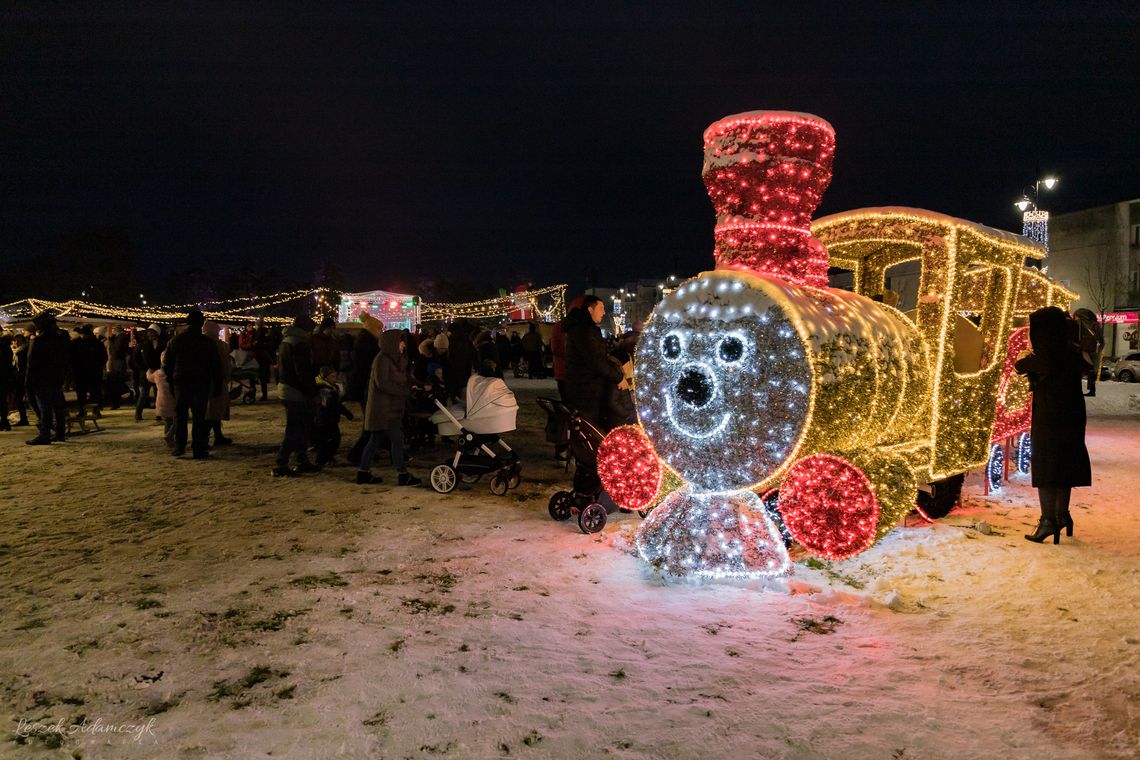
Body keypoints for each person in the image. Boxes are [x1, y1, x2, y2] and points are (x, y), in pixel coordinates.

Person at [1015, 306, 1092, 543]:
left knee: (1047, 467)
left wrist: (1023, 358)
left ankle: (1048, 520)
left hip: (1050, 418)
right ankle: (1062, 515)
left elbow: (1020, 366)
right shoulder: (1071, 353)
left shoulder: (1045, 357)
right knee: (1063, 466)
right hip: (1072, 417)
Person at [357, 329, 421, 486]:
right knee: (397, 439)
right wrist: (406, 392)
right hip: (383, 408)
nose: (404, 344)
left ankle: (363, 473)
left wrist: (419, 385)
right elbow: (383, 384)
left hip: (391, 407)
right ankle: (402, 474)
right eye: (401, 341)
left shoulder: (397, 359)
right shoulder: (382, 360)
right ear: (393, 343)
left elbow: (405, 379)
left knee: (375, 440)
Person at [163, 309, 223, 459]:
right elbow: (215, 365)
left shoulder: (176, 340)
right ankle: (198, 447)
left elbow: (168, 364)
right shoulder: (207, 342)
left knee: (181, 415)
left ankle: (180, 446)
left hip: (181, 381)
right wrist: (216, 384)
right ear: (201, 323)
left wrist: (171, 381)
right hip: (200, 382)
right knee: (199, 416)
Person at [562, 295, 626, 431]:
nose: (604, 312)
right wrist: (619, 377)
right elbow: (597, 362)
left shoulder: (581, 328)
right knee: (588, 429)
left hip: (583, 388)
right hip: (586, 391)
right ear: (590, 309)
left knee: (583, 428)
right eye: (601, 308)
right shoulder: (585, 330)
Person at [273, 315, 320, 477]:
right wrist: (311, 391)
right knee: (295, 428)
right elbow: (303, 372)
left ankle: (301, 459)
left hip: (286, 388)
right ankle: (282, 462)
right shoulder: (300, 344)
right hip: (296, 391)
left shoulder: (286, 341)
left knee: (300, 427)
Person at [24, 312, 70, 445]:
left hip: (41, 378)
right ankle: (60, 433)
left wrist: (28, 381)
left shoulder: (38, 340)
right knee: (57, 406)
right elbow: (65, 359)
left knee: (45, 407)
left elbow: (31, 362)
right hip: (56, 377)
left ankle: (45, 434)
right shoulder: (60, 339)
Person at [313, 366, 354, 465]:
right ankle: (321, 460)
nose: (335, 378)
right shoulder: (325, 390)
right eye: (332, 376)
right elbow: (333, 405)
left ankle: (327, 458)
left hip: (330, 419)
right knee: (330, 441)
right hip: (325, 419)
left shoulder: (331, 388)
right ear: (325, 377)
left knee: (332, 440)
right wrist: (346, 412)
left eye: (335, 376)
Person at [202, 321, 233, 446]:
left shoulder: (201, 343)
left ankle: (218, 435)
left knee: (213, 410)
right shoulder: (218, 345)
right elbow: (224, 363)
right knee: (213, 411)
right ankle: (204, 438)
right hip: (216, 380)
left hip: (203, 381)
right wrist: (227, 376)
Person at [147, 350, 176, 448]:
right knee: (177, 420)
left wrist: (148, 371)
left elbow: (149, 377)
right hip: (172, 401)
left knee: (167, 422)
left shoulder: (157, 374)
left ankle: (169, 439)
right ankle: (170, 436)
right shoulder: (173, 373)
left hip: (161, 402)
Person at [1073, 308, 1104, 397]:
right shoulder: (1094, 325)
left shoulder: (1082, 325)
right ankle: (1092, 389)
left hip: (1087, 347)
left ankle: (1090, 368)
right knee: (1092, 370)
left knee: (1087, 361)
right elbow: (1100, 339)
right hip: (1094, 348)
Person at [11, 333, 31, 427]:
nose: (14, 343)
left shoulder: (21, 351)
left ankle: (24, 419)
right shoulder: (23, 349)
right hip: (22, 376)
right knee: (22, 398)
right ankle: (24, 418)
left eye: (15, 341)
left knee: (19, 398)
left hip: (22, 377)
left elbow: (21, 365)